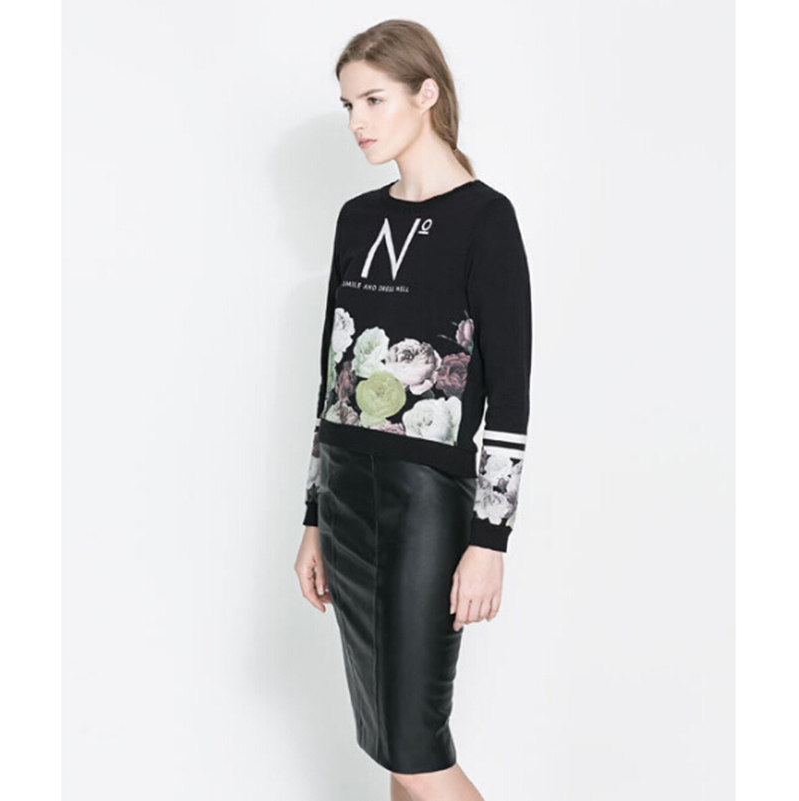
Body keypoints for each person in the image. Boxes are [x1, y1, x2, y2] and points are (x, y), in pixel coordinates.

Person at [293, 19, 532, 801]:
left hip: (426, 503)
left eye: (373, 99)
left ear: (426, 94)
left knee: (419, 749)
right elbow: (332, 378)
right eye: (347, 104)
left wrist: (488, 539)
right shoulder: (356, 218)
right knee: (397, 748)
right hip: (346, 498)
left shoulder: (484, 218)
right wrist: (313, 518)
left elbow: (510, 395)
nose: (356, 122)